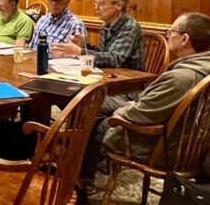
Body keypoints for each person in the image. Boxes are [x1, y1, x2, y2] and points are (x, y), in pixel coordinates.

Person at [79, 12, 210, 189]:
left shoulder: (182, 78)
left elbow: (139, 115)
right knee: (95, 106)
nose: (167, 34)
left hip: (164, 148)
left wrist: (121, 111)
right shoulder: (203, 69)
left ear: (185, 39)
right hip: (190, 146)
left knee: (94, 114)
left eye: (171, 31)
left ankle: (79, 179)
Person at [50, 0, 144, 71]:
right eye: (96, 3)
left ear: (118, 5)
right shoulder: (106, 24)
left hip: (130, 80)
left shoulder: (129, 26)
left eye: (101, 4)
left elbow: (115, 59)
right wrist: (83, 46)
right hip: (109, 75)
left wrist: (79, 52)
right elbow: (102, 53)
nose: (96, 8)